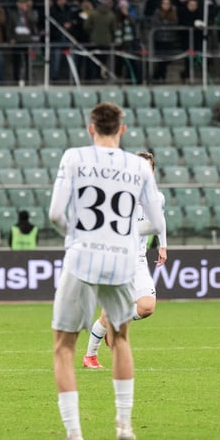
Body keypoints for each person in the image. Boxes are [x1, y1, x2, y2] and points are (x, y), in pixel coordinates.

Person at [47, 102, 165, 440]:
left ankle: (74, 435)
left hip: (82, 257)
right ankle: (125, 425)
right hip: (121, 261)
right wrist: (126, 236)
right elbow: (157, 223)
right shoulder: (138, 167)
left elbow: (55, 213)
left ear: (90, 129)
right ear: (123, 130)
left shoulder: (74, 157)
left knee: (63, 347)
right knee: (122, 337)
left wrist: (74, 235)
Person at [82, 151, 168, 370]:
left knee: (147, 307)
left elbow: (160, 220)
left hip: (138, 259)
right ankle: (90, 356)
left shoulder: (157, 197)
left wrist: (163, 245)